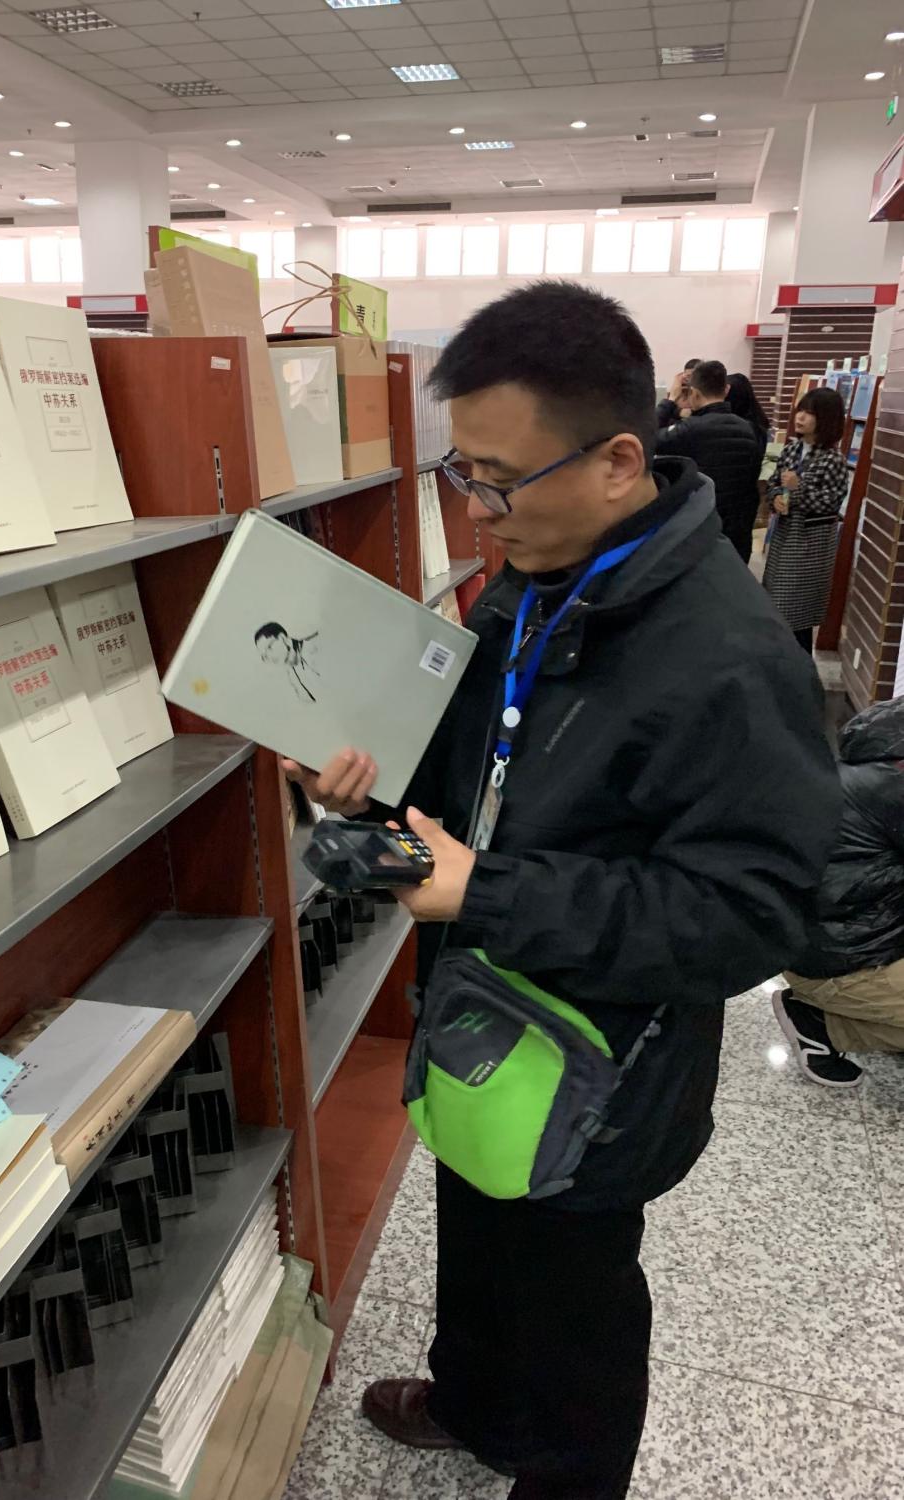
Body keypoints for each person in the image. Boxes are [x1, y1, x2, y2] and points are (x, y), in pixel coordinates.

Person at [283, 282, 840, 1500]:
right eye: (462, 473)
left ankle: (566, 1476)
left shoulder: (730, 658)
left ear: (618, 461)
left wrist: (490, 894)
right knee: (479, 1228)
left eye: (497, 480)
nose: (474, 511)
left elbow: (753, 915)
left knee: (575, 1299)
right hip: (486, 1012)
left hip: (605, 1068)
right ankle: (477, 1403)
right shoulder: (540, 581)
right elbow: (482, 769)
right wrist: (368, 794)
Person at [773, 697, 904, 1087]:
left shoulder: (875, 755)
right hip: (843, 963)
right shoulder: (894, 788)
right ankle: (824, 1026)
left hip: (814, 946)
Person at [763, 386, 849, 653]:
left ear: (826, 419)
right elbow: (774, 483)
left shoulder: (833, 459)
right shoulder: (792, 449)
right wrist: (776, 498)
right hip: (784, 539)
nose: (800, 417)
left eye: (809, 413)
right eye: (800, 410)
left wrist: (798, 489)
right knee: (775, 609)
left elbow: (832, 502)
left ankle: (799, 669)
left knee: (794, 616)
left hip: (809, 547)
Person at [655, 359, 766, 562]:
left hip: (700, 529)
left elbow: (647, 439)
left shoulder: (691, 429)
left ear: (695, 394)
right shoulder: (750, 428)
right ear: (726, 390)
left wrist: (670, 401)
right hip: (738, 532)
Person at [655, 356, 701, 428]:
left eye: (692, 376)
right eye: (688, 376)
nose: (688, 380)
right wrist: (679, 412)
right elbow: (663, 416)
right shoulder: (677, 390)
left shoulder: (703, 393)